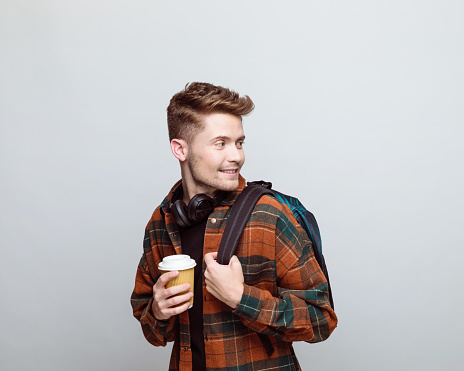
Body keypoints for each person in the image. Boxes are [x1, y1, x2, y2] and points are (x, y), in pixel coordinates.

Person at [130, 82, 337, 371]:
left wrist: (240, 297)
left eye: (239, 142)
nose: (236, 155)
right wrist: (157, 311)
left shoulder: (268, 214)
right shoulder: (161, 221)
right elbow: (153, 331)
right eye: (220, 143)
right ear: (180, 149)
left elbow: (320, 319)